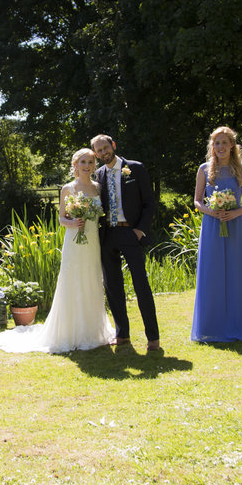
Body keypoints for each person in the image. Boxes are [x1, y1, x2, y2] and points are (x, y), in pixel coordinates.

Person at [0, 149, 117, 353]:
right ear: (75, 164)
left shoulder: (98, 187)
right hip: (74, 241)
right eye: (83, 161)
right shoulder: (68, 188)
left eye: (91, 162)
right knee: (73, 280)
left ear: (95, 165)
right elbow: (61, 219)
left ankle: (93, 330)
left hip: (93, 241)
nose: (87, 165)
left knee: (92, 280)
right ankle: (69, 332)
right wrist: (73, 222)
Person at [191, 127, 242, 343]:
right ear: (212, 147)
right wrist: (210, 211)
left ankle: (241, 323)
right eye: (216, 143)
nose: (220, 147)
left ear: (232, 145)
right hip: (212, 226)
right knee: (213, 273)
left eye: (224, 143)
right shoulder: (204, 169)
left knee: (237, 272)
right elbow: (197, 200)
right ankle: (212, 326)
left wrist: (234, 213)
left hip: (236, 226)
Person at [91, 134, 161, 351]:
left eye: (105, 148)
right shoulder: (98, 175)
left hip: (131, 233)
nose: (103, 153)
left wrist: (139, 230)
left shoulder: (135, 168)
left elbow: (149, 202)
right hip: (107, 236)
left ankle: (153, 338)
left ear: (113, 146)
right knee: (112, 287)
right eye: (98, 151)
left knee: (141, 285)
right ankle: (122, 335)